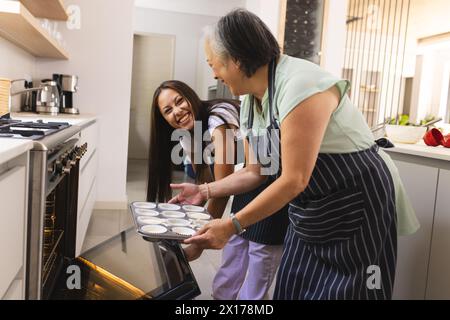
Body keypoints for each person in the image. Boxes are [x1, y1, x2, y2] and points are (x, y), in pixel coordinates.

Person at [169, 9, 420, 300]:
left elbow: (294, 179)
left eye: (215, 65)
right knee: (294, 286)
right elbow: (256, 171)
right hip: (311, 207)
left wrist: (232, 225)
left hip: (357, 201)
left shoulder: (300, 84)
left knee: (355, 289)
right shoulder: (252, 101)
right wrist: (203, 189)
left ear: (236, 60)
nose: (214, 73)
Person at [146, 80, 288, 300]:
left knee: (259, 262)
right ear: (163, 120)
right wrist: (188, 218)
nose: (177, 111)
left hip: (271, 185)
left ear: (190, 95)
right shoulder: (187, 135)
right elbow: (205, 179)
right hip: (245, 185)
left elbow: (221, 188)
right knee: (232, 257)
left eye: (179, 101)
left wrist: (199, 242)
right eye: (168, 110)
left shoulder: (217, 119)